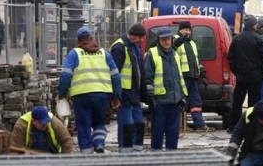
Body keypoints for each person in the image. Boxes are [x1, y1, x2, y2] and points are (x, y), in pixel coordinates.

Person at [58, 27, 122, 154]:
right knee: (99, 123)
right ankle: (99, 144)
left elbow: (65, 76)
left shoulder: (74, 54)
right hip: (102, 95)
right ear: (92, 38)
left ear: (78, 40)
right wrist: (116, 96)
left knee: (83, 126)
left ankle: (86, 153)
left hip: (82, 96)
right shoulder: (104, 53)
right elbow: (115, 76)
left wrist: (61, 94)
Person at [144, 27, 188, 151]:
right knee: (158, 130)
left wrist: (183, 96)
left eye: (168, 39)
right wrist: (150, 97)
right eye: (163, 39)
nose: (166, 42)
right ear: (159, 40)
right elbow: (148, 77)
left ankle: (170, 156)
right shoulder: (152, 54)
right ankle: (156, 157)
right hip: (159, 101)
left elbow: (179, 77)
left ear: (172, 39)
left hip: (174, 101)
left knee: (173, 131)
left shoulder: (174, 54)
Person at [226, 15, 263, 132]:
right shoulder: (259, 39)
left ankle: (233, 127)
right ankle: (252, 126)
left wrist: (236, 72)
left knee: (237, 102)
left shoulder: (236, 39)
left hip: (241, 77)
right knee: (254, 103)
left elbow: (230, 58)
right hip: (256, 77)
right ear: (255, 25)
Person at [110, 23, 148, 153]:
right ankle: (125, 154)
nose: (142, 40)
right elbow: (114, 74)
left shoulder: (133, 46)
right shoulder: (120, 47)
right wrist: (116, 95)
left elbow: (139, 71)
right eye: (140, 37)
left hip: (134, 95)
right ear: (134, 36)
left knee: (138, 124)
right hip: (125, 95)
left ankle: (136, 152)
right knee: (127, 126)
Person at [174, 20, 209, 132]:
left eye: (189, 30)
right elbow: (173, 48)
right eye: (185, 29)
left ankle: (199, 124)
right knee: (181, 101)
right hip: (181, 76)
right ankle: (181, 126)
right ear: (180, 30)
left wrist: (202, 73)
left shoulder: (192, 43)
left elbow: (196, 60)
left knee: (195, 101)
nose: (188, 32)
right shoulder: (175, 39)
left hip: (192, 76)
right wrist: (181, 39)